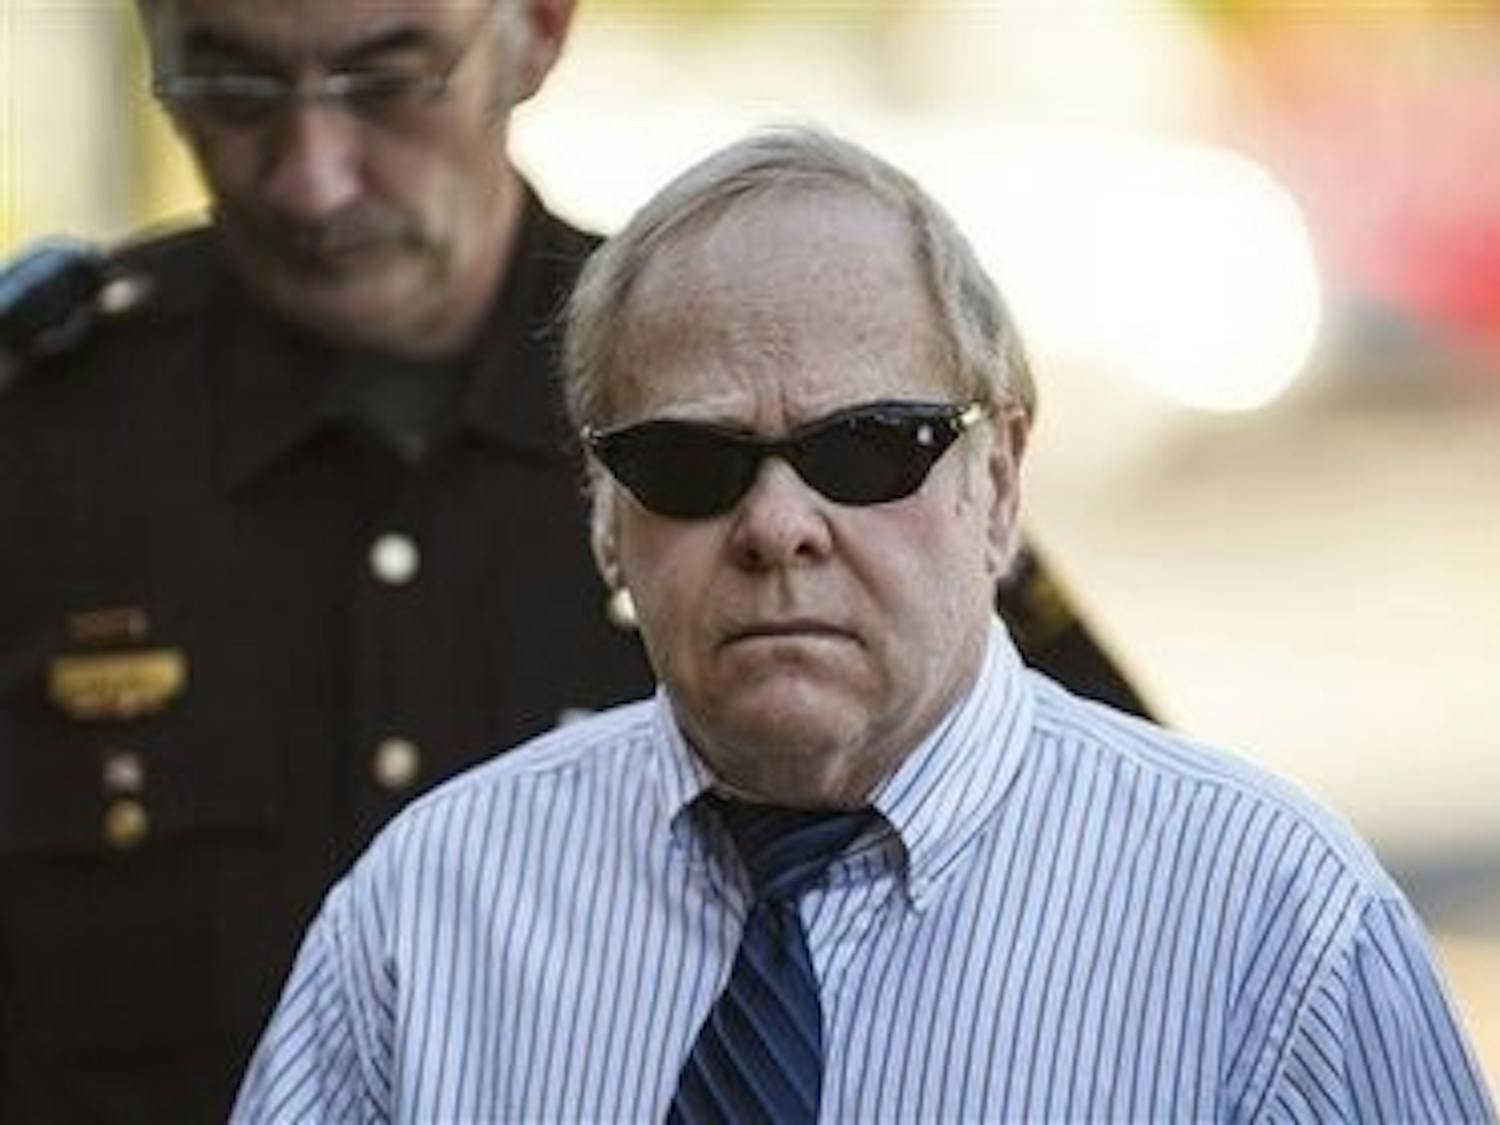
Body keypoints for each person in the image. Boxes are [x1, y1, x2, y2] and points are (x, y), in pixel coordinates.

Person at [0, 2, 1147, 1120]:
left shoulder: (735, 385)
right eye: (234, 81)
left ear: (538, 31)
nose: (313, 173)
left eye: (389, 80)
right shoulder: (40, 433)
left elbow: (1100, 861)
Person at [234, 127, 1495, 1123]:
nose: (780, 524)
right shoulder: (430, 915)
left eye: (866, 447)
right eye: (687, 461)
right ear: (604, 515)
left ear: (998, 483)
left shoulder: (1268, 926)